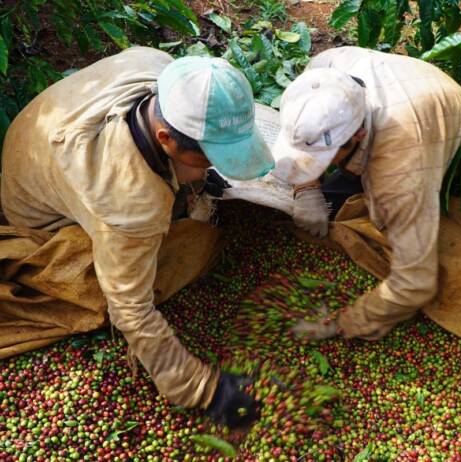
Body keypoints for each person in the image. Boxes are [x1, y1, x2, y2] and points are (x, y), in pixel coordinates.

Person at [1, 47, 274, 427]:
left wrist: (194, 171)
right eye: (207, 158)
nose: (211, 168)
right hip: (41, 215)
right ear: (166, 139)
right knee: (187, 249)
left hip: (37, 144)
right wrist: (202, 388)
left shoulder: (158, 68)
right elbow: (129, 309)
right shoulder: (128, 206)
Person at [271, 46, 461, 341]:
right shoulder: (326, 70)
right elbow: (308, 135)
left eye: (322, 156)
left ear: (358, 135)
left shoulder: (400, 170)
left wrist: (349, 321)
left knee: (397, 225)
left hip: (452, 144)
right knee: (332, 202)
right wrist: (307, 188)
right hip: (415, 95)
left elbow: (415, 282)